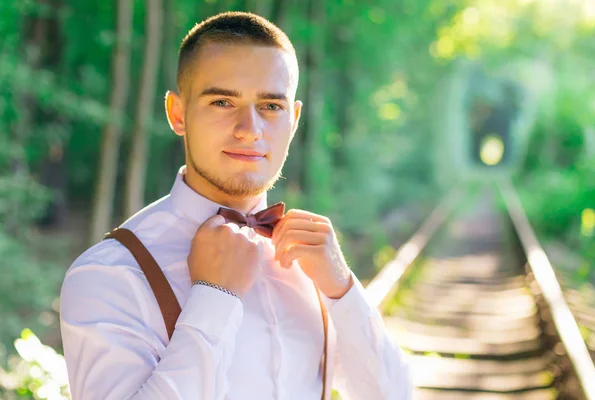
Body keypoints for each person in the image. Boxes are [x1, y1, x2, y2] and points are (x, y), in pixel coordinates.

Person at [59, 11, 412, 400]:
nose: (250, 129)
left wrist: (342, 290)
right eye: (223, 101)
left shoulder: (312, 265)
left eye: (270, 106)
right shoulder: (111, 273)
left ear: (293, 119)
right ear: (178, 113)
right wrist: (213, 298)